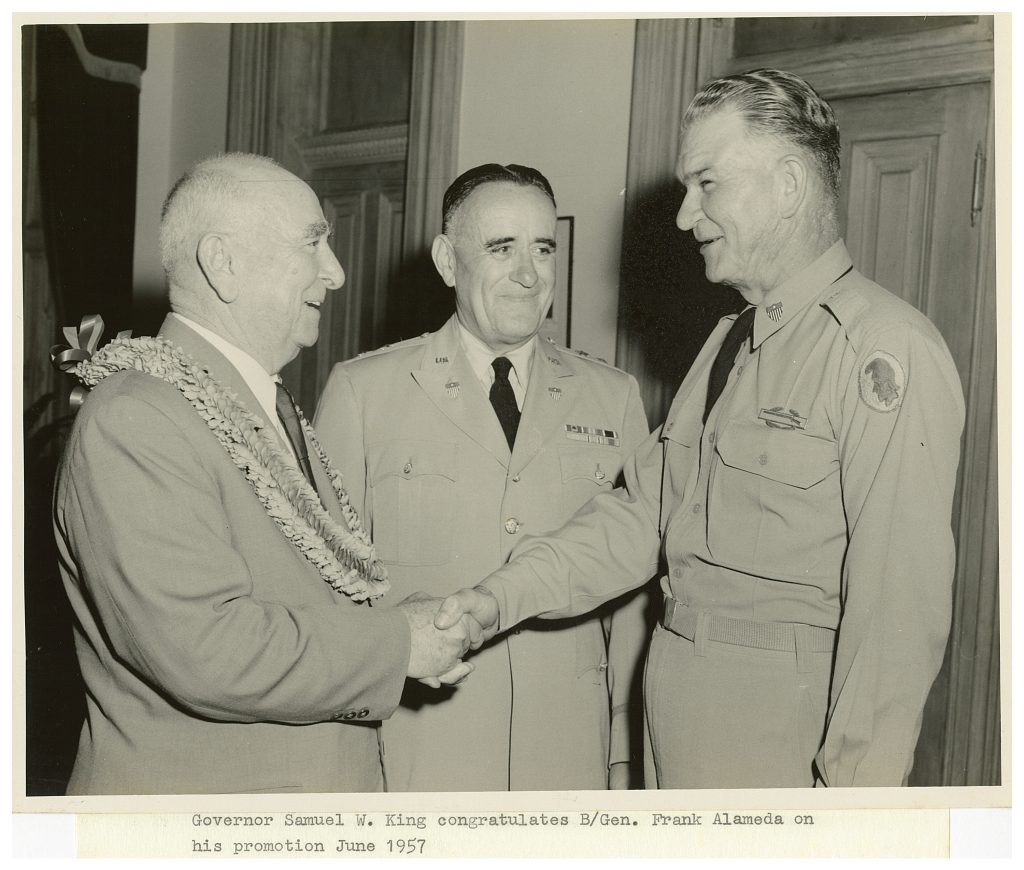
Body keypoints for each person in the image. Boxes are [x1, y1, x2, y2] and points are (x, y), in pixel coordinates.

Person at [437, 69, 965, 788]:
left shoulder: (881, 349)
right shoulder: (728, 344)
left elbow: (897, 619)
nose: (686, 216)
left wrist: (850, 815)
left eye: (707, 184)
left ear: (788, 184)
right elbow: (640, 517)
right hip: (675, 737)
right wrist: (498, 598)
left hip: (780, 750)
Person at [52, 153, 479, 795]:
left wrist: (409, 622)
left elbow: (302, 594)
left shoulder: (258, 405)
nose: (335, 272)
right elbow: (207, 648)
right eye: (313, 243)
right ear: (223, 263)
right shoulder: (135, 417)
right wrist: (399, 644)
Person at [314, 163, 652, 791]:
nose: (529, 274)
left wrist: (624, 753)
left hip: (569, 756)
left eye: (543, 249)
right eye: (501, 248)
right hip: (418, 755)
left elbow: (633, 596)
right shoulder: (364, 392)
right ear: (448, 261)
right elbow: (329, 597)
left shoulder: (613, 396)